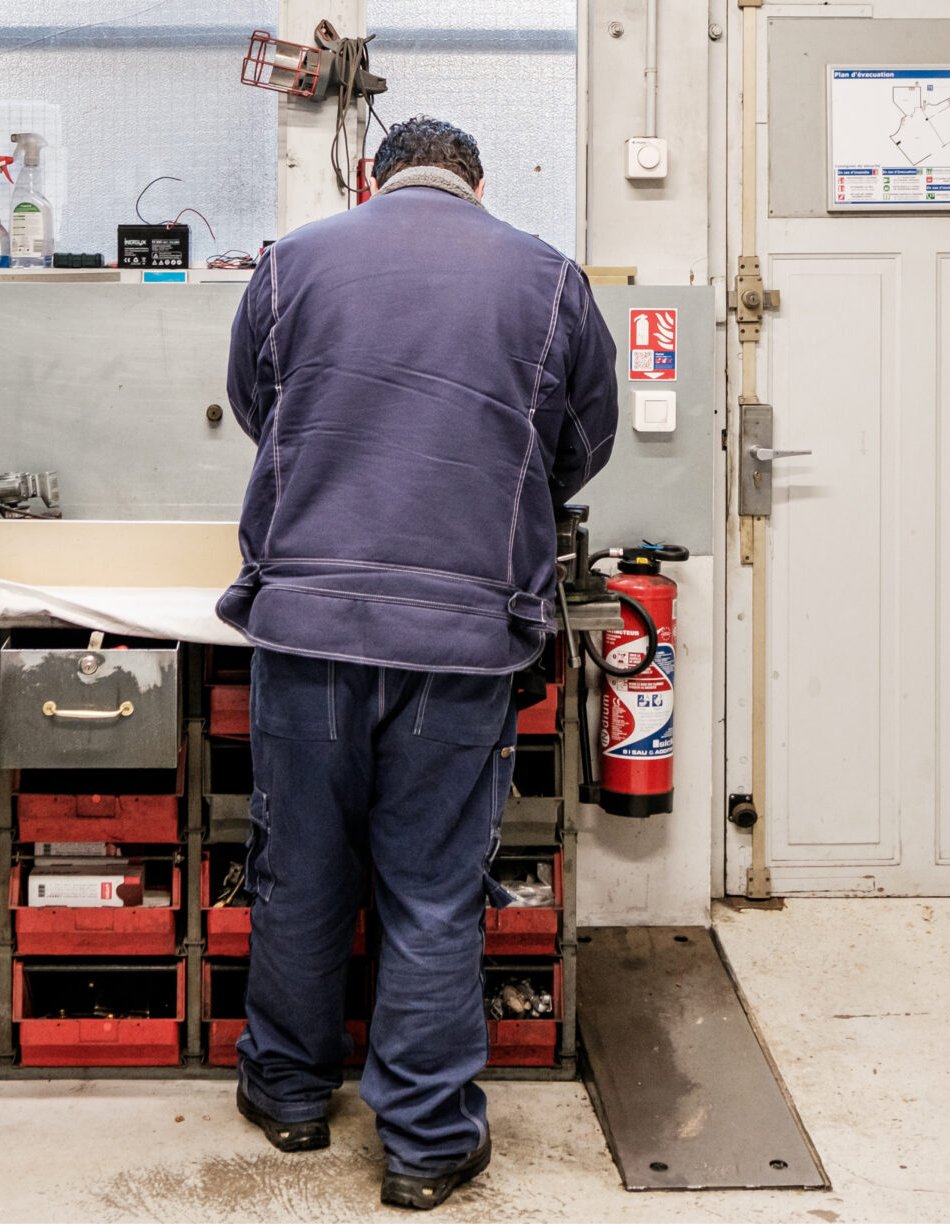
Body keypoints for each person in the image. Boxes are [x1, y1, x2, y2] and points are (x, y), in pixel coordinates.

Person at [217, 115, 620, 1210]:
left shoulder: (292, 262)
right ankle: (427, 1145)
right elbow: (580, 445)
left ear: (373, 177)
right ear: (477, 185)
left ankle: (291, 1095)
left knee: (300, 871)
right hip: (461, 638)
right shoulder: (547, 276)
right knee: (435, 891)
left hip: (308, 630)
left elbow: (262, 410)